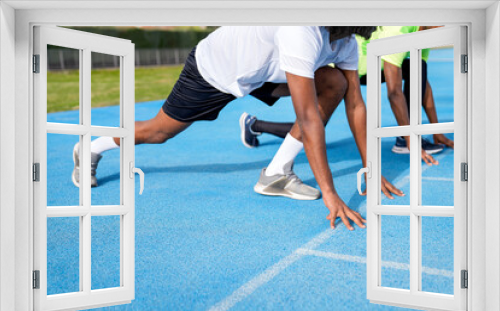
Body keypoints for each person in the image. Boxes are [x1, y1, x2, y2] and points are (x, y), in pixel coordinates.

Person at [72, 26, 403, 230]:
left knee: (334, 84)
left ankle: (276, 173)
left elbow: (355, 104)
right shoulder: (301, 30)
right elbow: (307, 117)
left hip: (262, 71)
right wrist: (330, 195)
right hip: (215, 70)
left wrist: (370, 167)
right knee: (158, 132)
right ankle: (92, 147)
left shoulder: (343, 39)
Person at [240, 26, 454, 166]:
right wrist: (411, 142)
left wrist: (434, 130)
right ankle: (256, 126)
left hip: (370, 65)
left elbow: (422, 83)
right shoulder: (399, 30)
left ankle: (407, 134)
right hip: (349, 63)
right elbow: (394, 92)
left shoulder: (425, 34)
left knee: (416, 69)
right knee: (313, 125)